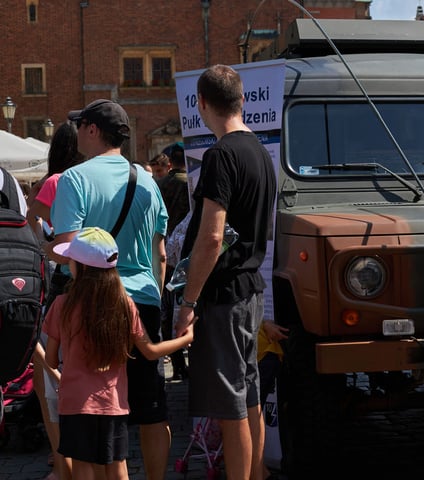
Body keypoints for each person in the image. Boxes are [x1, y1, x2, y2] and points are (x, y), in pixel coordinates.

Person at [48, 99, 171, 480]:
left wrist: (46, 249)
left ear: (92, 130)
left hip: (93, 301)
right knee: (151, 409)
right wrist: (152, 298)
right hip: (143, 299)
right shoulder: (148, 180)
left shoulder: (74, 179)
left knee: (98, 405)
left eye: (79, 126)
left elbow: (67, 247)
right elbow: (160, 252)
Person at [174, 64, 278, 480]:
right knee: (248, 398)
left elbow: (211, 237)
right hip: (251, 290)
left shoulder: (221, 155)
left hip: (225, 297)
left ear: (201, 103)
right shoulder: (260, 153)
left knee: (231, 407)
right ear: (242, 100)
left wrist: (188, 301)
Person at [44, 227, 193, 480]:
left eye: (71, 259)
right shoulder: (124, 304)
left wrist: (63, 370)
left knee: (82, 466)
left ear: (82, 267)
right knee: (117, 466)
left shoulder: (62, 305)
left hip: (74, 404)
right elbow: (151, 352)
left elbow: (50, 359)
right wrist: (186, 338)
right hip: (113, 404)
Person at [26, 120, 84, 480]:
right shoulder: (88, 179)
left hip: (59, 286)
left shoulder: (54, 182)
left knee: (48, 376)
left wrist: (46, 244)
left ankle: (63, 462)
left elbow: (31, 227)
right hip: (92, 283)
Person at [157, 142, 190, 381]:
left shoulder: (160, 185)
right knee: (189, 305)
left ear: (170, 162)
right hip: (188, 252)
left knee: (167, 310)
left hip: (165, 254)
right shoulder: (192, 184)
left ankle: (176, 361)